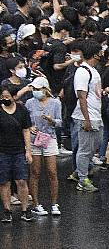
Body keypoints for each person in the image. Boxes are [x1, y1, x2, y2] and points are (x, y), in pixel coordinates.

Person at [25, 76, 61, 217]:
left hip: (49, 138)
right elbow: (25, 121)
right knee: (35, 172)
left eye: (38, 89)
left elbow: (60, 123)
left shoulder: (55, 103)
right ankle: (35, 204)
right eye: (34, 89)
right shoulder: (29, 103)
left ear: (45, 90)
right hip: (34, 139)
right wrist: (30, 127)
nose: (35, 91)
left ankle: (54, 203)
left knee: (52, 172)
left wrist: (52, 121)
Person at [72, 40, 103, 193]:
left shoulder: (93, 71)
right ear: (95, 53)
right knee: (85, 149)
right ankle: (82, 178)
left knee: (94, 146)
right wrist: (86, 119)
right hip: (88, 116)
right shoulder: (83, 72)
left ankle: (80, 170)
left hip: (96, 114)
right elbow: (81, 97)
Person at [0, 85, 33, 223]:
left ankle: (25, 210)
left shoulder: (22, 110)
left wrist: (28, 150)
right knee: (4, 182)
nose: (4, 99)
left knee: (21, 181)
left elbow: (26, 130)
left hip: (19, 151)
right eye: (2, 97)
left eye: (7, 96)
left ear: (14, 97)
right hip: (2, 152)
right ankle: (7, 210)